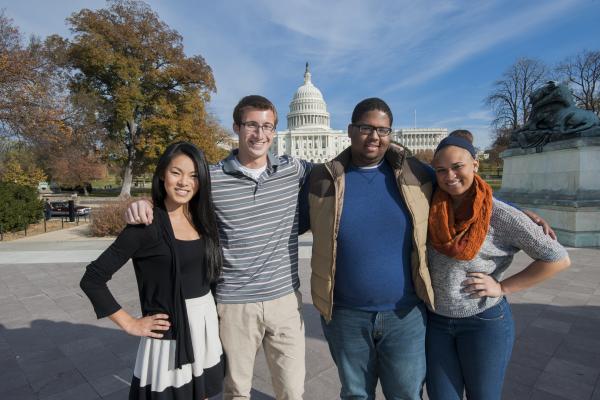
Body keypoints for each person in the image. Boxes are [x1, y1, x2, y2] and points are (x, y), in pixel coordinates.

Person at [124, 95, 311, 400]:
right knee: (236, 390)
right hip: (234, 302)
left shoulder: (294, 170)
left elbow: (339, 173)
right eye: (252, 125)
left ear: (276, 131)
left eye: (267, 126)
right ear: (237, 127)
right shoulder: (212, 178)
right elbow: (174, 197)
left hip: (284, 301)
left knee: (292, 390)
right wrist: (141, 203)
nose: (259, 134)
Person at [425, 133, 571, 400]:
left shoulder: (499, 214)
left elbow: (558, 258)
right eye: (441, 170)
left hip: (483, 322)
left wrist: (502, 286)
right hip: (436, 321)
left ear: (475, 164)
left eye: (458, 167)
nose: (450, 176)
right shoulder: (430, 207)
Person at [307, 98, 432, 399]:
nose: (375, 136)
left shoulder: (418, 175)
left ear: (390, 133)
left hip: (405, 315)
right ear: (350, 130)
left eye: (382, 129)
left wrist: (519, 214)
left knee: (406, 394)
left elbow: (461, 192)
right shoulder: (321, 178)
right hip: (345, 315)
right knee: (356, 394)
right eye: (366, 128)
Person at [80, 142, 224, 400]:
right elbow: (93, 279)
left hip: (205, 326)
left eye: (193, 175)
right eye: (176, 172)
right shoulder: (146, 225)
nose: (184, 182)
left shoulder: (203, 220)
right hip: (170, 333)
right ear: (162, 175)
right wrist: (130, 323)